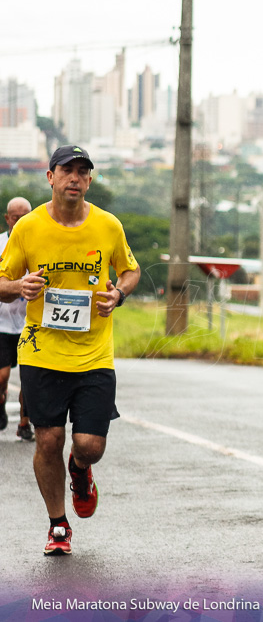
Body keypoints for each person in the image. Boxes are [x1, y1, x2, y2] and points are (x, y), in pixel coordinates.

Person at [0, 145, 140, 556]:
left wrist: (118, 293)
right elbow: (2, 282)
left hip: (95, 354)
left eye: (83, 172)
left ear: (90, 180)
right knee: (48, 439)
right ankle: (58, 525)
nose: (75, 178)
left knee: (89, 445)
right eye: (67, 171)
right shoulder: (28, 228)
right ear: (51, 178)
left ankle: (80, 471)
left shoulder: (108, 226)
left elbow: (129, 270)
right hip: (42, 351)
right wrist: (18, 287)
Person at [0, 196, 34, 441]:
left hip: (29, 324)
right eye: (16, 218)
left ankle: (24, 423)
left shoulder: (40, 244)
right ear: (7, 218)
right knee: (2, 377)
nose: (21, 222)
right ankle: (1, 402)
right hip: (1, 324)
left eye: (26, 217)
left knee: (30, 379)